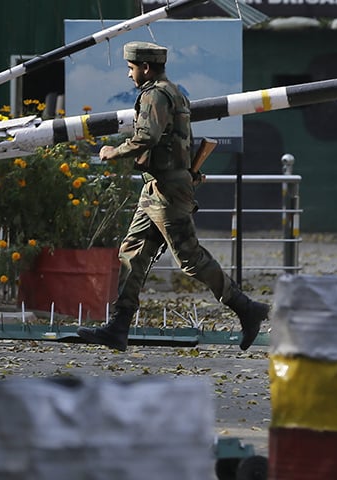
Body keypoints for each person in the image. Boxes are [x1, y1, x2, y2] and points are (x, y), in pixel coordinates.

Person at [76, 41, 269, 352]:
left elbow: (147, 137)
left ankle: (246, 308)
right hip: (157, 187)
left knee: (189, 257)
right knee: (133, 252)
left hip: (167, 190)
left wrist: (115, 151)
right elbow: (176, 140)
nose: (129, 75)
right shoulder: (173, 91)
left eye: (131, 68)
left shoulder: (155, 94)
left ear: (146, 68)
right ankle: (119, 326)